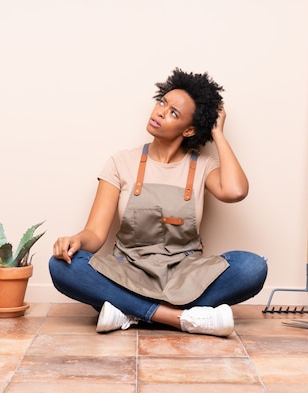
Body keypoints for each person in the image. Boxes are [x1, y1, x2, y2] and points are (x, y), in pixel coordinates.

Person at [49, 68, 268, 337]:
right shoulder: (121, 162)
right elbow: (95, 234)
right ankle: (181, 319)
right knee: (61, 265)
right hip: (129, 271)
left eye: (174, 112)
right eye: (162, 102)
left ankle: (129, 311)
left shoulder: (203, 166)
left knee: (253, 267)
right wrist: (76, 241)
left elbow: (235, 191)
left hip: (185, 275)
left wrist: (218, 133)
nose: (161, 112)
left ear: (189, 130)